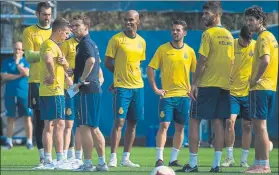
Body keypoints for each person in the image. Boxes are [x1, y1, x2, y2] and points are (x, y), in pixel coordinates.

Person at [177, 1, 234, 173]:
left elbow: (202, 61)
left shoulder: (208, 34)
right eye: (203, 14)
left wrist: (194, 84)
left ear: (216, 16)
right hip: (224, 86)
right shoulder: (229, 35)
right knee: (218, 122)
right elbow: (232, 62)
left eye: (206, 14)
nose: (203, 17)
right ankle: (216, 165)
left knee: (194, 120)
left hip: (207, 85)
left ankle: (193, 164)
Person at [147, 20, 196, 167]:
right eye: (173, 30)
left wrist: (194, 87)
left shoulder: (190, 51)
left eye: (178, 30)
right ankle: (159, 159)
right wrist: (156, 89)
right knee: (164, 125)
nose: (175, 32)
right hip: (167, 96)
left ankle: (174, 159)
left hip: (184, 97)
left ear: (184, 33)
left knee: (180, 128)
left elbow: (197, 72)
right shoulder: (162, 49)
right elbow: (150, 68)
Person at [104, 10, 146, 168]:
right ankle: (113, 157)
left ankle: (126, 158)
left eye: (131, 20)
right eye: (126, 20)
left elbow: (138, 64)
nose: (128, 22)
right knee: (119, 122)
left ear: (138, 21)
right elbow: (107, 63)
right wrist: (118, 76)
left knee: (133, 124)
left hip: (138, 87)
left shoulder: (142, 42)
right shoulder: (116, 39)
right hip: (122, 87)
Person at [71, 15, 108, 172]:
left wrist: (80, 79)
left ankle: (87, 164)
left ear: (86, 27)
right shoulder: (90, 42)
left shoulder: (85, 43)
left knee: (85, 127)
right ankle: (102, 163)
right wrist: (73, 71)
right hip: (93, 88)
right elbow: (94, 66)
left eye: (77, 25)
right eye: (72, 26)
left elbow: (91, 61)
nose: (73, 28)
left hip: (86, 89)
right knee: (94, 127)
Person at [244, 6, 278, 174]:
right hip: (269, 87)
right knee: (258, 127)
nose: (249, 23)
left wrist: (255, 79)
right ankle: (258, 162)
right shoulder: (271, 37)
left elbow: (265, 60)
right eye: (247, 20)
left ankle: (264, 165)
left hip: (261, 87)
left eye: (252, 20)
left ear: (261, 21)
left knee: (260, 127)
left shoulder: (264, 38)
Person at [36, 17, 71, 170]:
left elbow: (56, 62)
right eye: (66, 33)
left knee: (48, 125)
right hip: (54, 91)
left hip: (45, 92)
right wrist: (52, 75)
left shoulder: (51, 45)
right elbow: (48, 60)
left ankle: (49, 160)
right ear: (58, 31)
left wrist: (63, 65)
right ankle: (61, 158)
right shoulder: (50, 45)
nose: (67, 36)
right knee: (59, 124)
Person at [22, 1, 52, 164]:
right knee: (39, 119)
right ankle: (42, 156)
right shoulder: (29, 31)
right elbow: (28, 56)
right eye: (44, 14)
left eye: (49, 14)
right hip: (36, 81)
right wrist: (47, 53)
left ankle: (62, 156)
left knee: (59, 121)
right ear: (37, 15)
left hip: (56, 82)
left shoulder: (56, 30)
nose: (47, 18)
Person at [221, 26, 255, 168]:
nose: (247, 43)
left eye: (249, 40)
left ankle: (244, 160)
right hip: (232, 92)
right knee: (230, 123)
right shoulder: (231, 44)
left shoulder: (255, 44)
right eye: (244, 40)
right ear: (239, 37)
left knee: (247, 126)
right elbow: (222, 63)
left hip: (248, 92)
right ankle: (229, 157)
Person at [1, 42, 33, 150]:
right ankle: (9, 141)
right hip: (10, 94)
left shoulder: (27, 61)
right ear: (13, 49)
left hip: (24, 93)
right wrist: (19, 75)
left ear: (23, 51)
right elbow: (4, 76)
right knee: (11, 117)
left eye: (20, 49)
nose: (17, 51)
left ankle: (29, 141)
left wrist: (18, 63)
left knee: (27, 117)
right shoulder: (6, 62)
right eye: (16, 49)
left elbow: (27, 73)